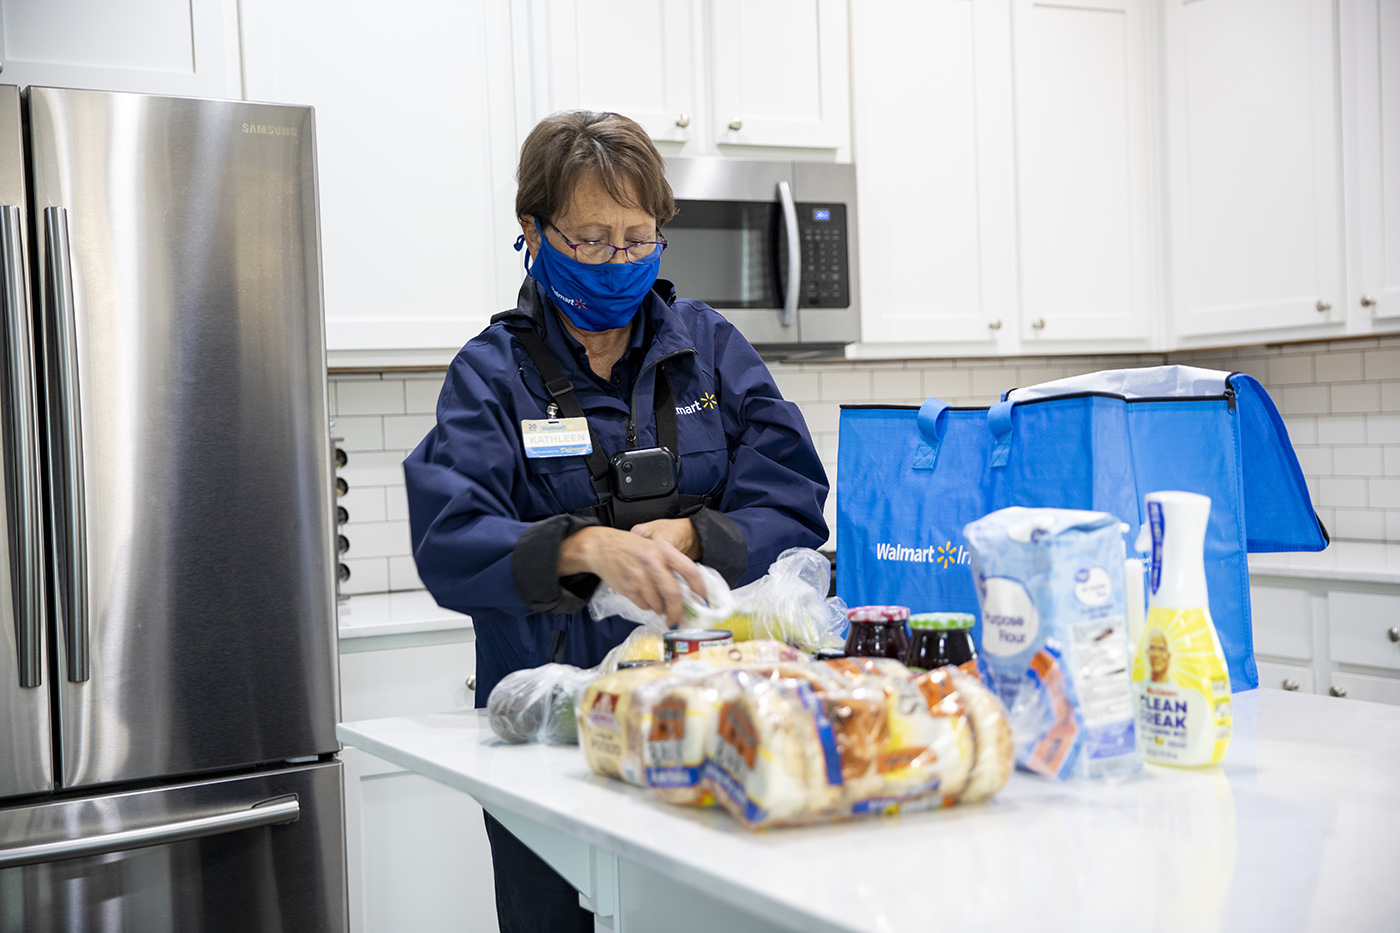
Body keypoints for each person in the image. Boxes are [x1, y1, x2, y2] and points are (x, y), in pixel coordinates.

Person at [403, 110, 829, 933]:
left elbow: (794, 498)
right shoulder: (492, 376)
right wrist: (579, 546)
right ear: (532, 230)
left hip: (705, 733)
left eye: (638, 239)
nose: (618, 259)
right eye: (592, 239)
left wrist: (701, 536)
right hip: (547, 747)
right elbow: (449, 540)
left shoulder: (710, 351)